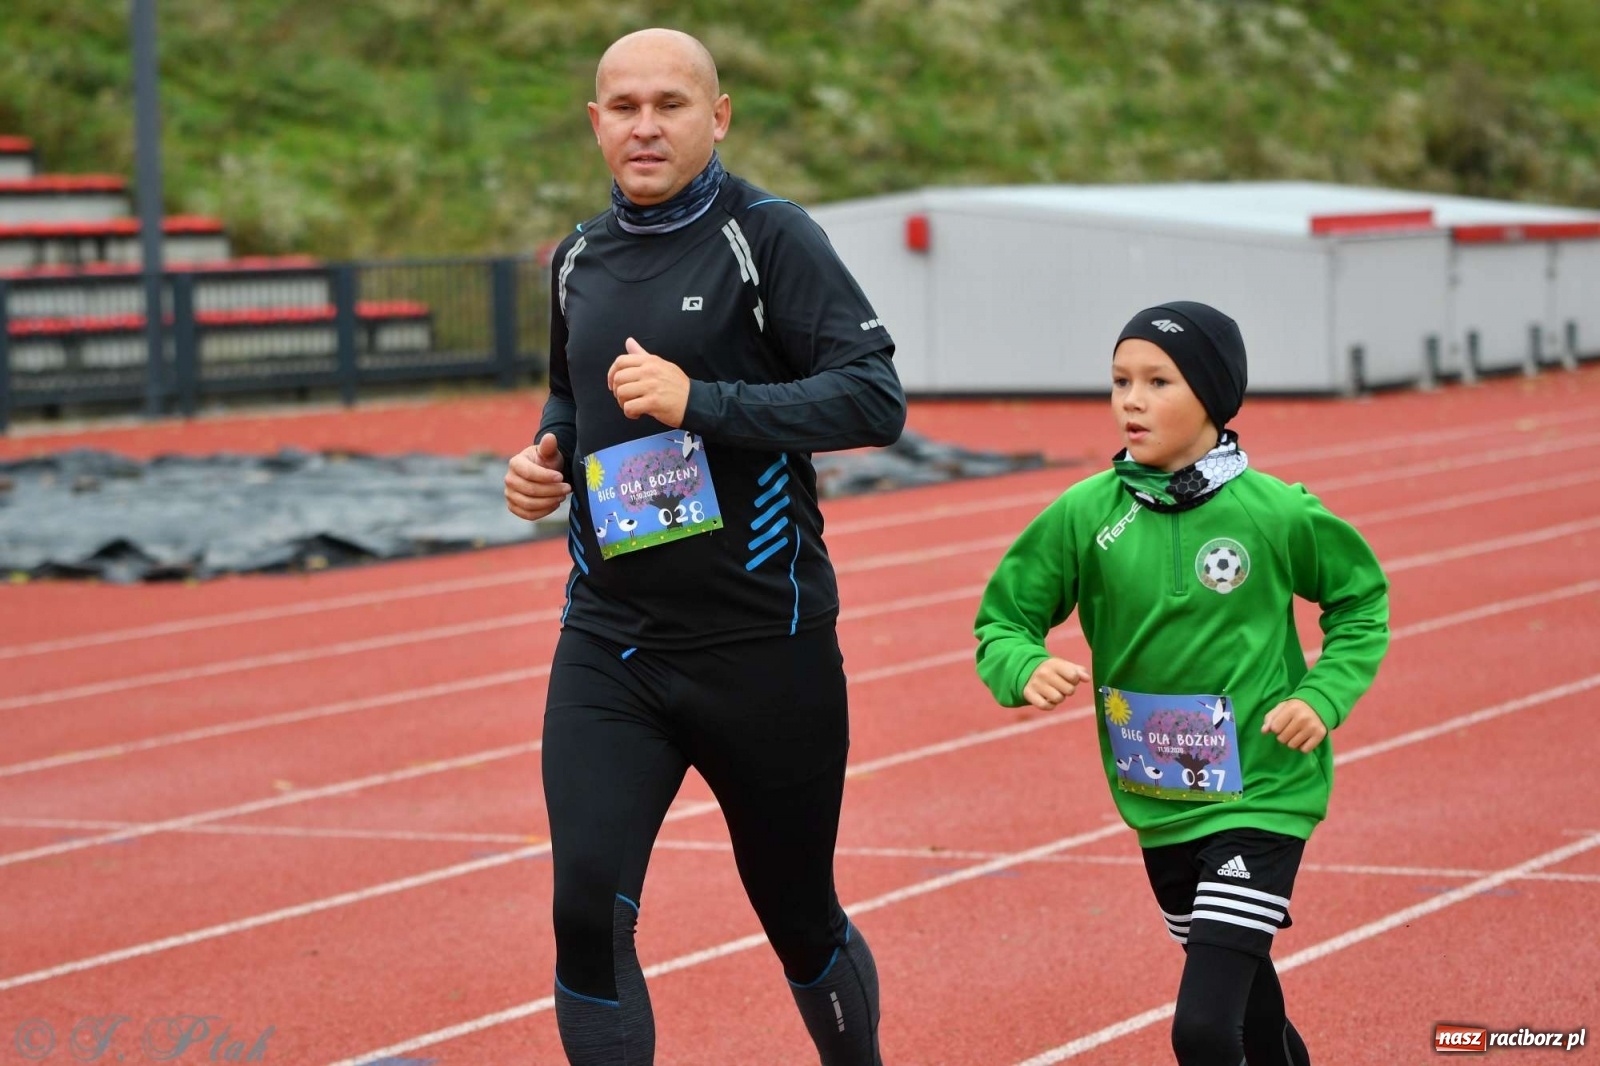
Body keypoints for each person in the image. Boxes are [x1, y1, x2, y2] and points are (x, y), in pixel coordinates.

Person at [504, 27, 904, 1066]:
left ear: (716, 116)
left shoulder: (769, 238)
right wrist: (543, 459)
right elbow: (572, 392)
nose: (645, 125)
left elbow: (873, 396)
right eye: (623, 106)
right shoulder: (578, 258)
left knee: (797, 913)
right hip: (613, 645)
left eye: (669, 104)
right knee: (585, 908)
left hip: (762, 648)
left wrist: (703, 403)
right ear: (595, 123)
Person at [973, 301, 1389, 1065]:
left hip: (1263, 794)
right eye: (1120, 380)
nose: (1131, 399)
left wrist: (1320, 696)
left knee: (1202, 1029)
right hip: (1157, 801)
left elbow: (1360, 601)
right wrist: (1022, 665)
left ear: (1212, 394)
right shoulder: (1084, 515)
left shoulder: (1275, 512)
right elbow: (1004, 620)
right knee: (1253, 1020)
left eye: (1158, 381)